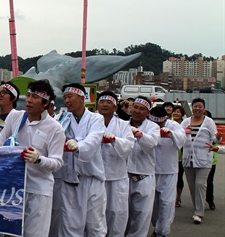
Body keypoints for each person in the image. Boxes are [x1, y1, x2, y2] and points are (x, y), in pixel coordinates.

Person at [0, 79, 65, 237]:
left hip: (39, 189)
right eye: (29, 95)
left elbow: (57, 162)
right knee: (4, 231)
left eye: (35, 97)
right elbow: (0, 139)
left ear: (45, 103)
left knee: (34, 233)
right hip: (13, 186)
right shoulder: (15, 117)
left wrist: (39, 159)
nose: (30, 100)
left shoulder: (55, 128)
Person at [55, 83, 107, 237]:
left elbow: (93, 139)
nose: (67, 101)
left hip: (92, 180)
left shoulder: (96, 118)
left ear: (82, 97)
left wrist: (78, 145)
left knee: (95, 225)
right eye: (65, 97)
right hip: (69, 180)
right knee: (70, 225)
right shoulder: (62, 117)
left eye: (70, 96)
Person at [97, 91, 134, 237]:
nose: (105, 105)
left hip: (117, 176)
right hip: (96, 176)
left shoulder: (123, 125)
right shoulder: (91, 122)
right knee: (96, 214)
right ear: (97, 105)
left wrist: (115, 140)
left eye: (109, 103)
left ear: (115, 107)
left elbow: (129, 145)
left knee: (117, 213)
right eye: (102, 102)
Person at [125, 96, 160, 237]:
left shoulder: (153, 127)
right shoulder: (122, 124)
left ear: (148, 113)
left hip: (144, 176)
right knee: (122, 214)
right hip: (124, 176)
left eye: (142, 109)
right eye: (136, 107)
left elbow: (151, 143)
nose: (137, 111)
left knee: (141, 216)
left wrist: (140, 135)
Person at [149, 106, 187, 237]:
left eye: (159, 123)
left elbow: (182, 139)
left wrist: (171, 134)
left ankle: (162, 232)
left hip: (169, 171)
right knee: (152, 204)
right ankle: (157, 227)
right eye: (155, 123)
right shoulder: (148, 124)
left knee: (166, 203)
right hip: (150, 170)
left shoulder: (174, 125)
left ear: (165, 119)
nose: (157, 125)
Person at [181, 98, 219, 224]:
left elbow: (215, 138)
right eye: (195, 106)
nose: (197, 108)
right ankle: (197, 207)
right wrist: (184, 131)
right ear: (192, 108)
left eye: (200, 106)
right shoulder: (186, 121)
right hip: (188, 159)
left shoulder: (208, 122)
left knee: (200, 185)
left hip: (203, 158)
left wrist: (218, 137)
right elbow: (179, 136)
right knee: (192, 187)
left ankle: (198, 213)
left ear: (204, 108)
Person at [172, 105, 186, 207]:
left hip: (181, 157)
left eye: (178, 112)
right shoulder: (168, 123)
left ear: (182, 114)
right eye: (175, 111)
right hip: (170, 157)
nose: (176, 113)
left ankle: (178, 198)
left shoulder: (185, 125)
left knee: (179, 178)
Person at [204, 110, 218, 211]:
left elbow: (216, 141)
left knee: (209, 181)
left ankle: (210, 200)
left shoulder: (212, 128)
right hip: (196, 159)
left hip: (211, 159)